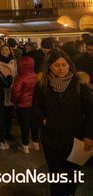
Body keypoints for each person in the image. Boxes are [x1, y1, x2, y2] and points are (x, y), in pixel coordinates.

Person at [32, 49, 93, 196]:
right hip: (51, 137)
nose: (61, 68)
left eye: (63, 65)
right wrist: (44, 121)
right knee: (56, 174)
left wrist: (88, 136)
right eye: (56, 65)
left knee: (72, 173)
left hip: (76, 137)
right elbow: (35, 108)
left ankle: (70, 192)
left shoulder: (79, 84)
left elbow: (91, 112)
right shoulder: (42, 84)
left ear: (69, 65)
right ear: (50, 67)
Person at [11, 56, 39, 153]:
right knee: (34, 123)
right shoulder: (36, 76)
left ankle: (25, 145)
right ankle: (35, 143)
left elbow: (15, 91)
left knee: (24, 125)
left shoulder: (20, 77)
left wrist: (14, 101)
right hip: (34, 105)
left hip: (23, 105)